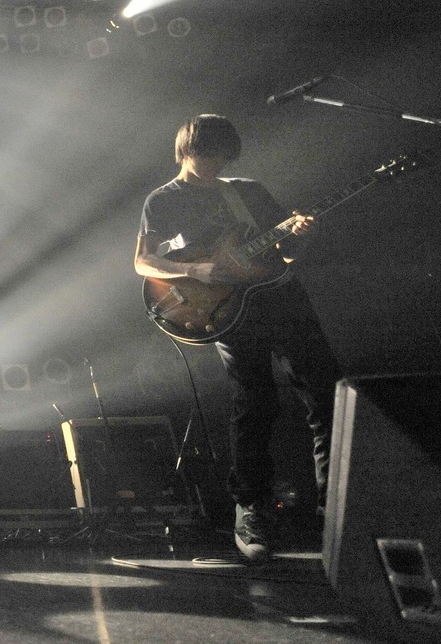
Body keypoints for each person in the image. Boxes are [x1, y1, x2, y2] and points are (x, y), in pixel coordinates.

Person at [133, 115, 341, 565]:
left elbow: (283, 252)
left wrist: (298, 236)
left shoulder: (248, 190)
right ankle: (251, 513)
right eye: (206, 156)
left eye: (222, 158)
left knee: (327, 397)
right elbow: (143, 262)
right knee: (255, 403)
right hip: (228, 309)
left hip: (283, 298)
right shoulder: (164, 199)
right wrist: (193, 270)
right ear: (185, 150)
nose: (214, 166)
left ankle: (336, 512)